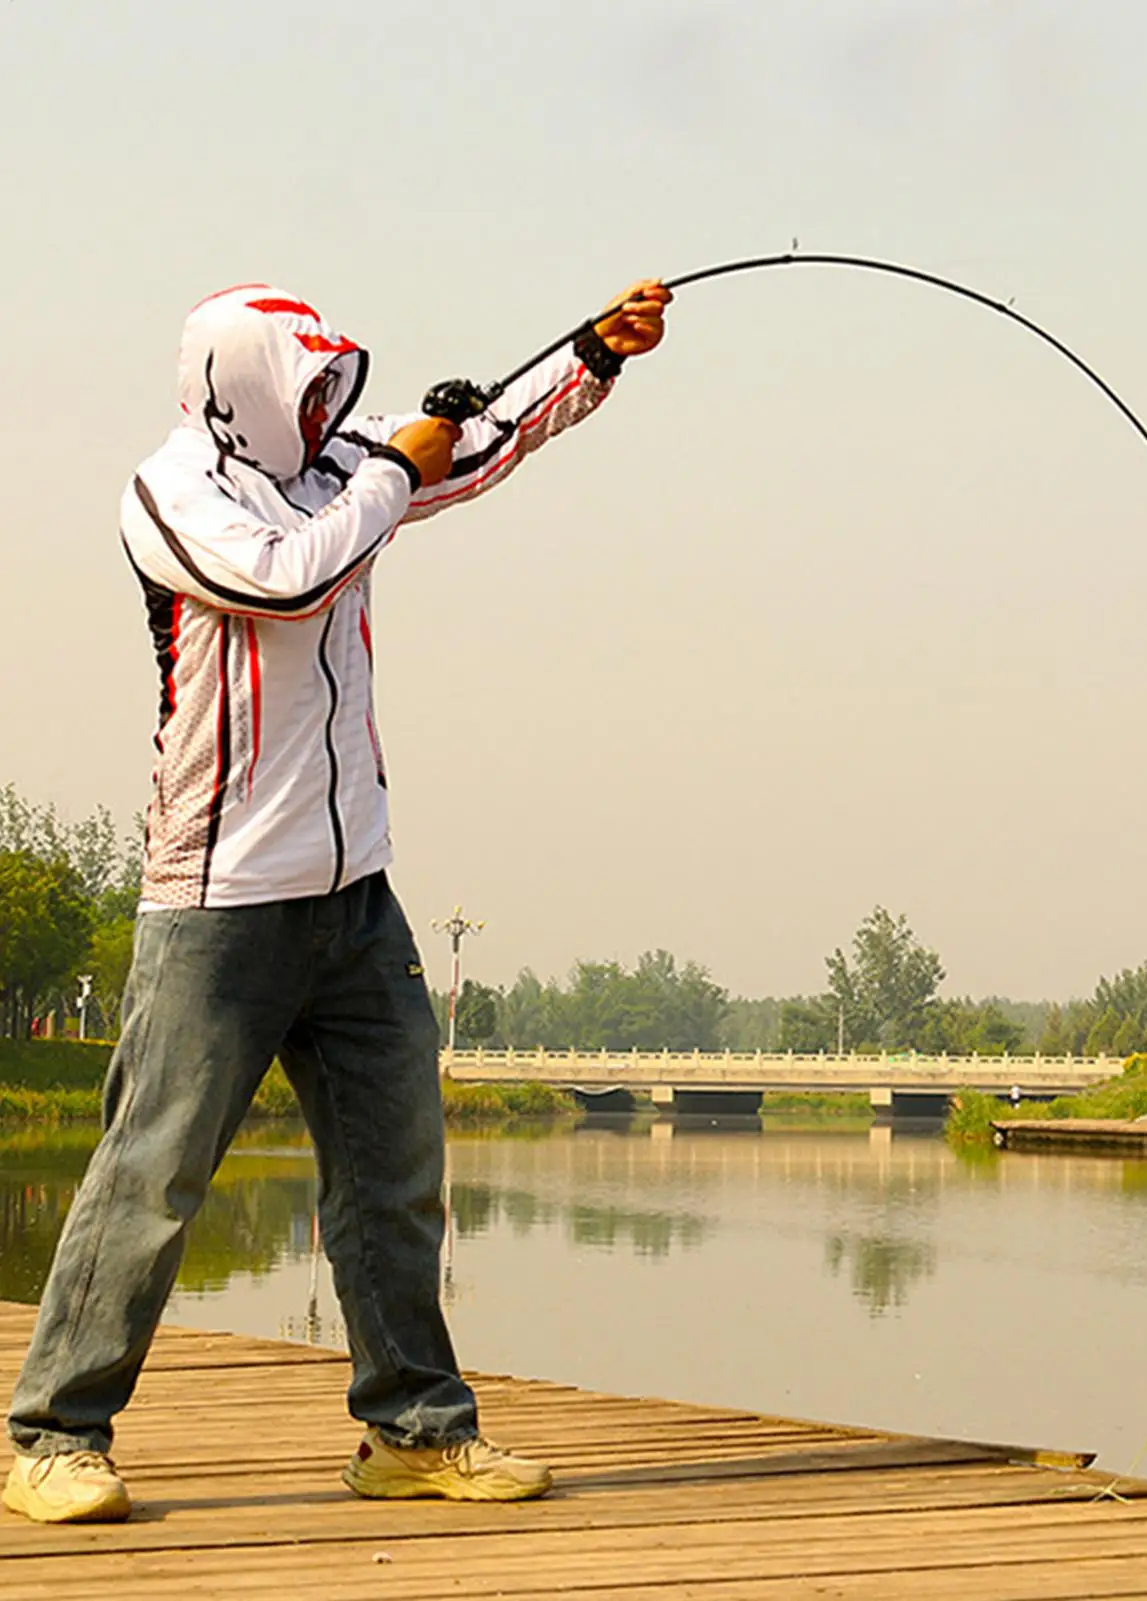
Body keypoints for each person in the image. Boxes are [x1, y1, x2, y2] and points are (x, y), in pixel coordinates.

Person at [3, 277, 671, 1524]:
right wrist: (388, 478)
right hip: (217, 898)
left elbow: (463, 449)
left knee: (393, 1169)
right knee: (151, 1172)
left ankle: (413, 1429)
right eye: (303, 386)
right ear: (237, 387)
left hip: (354, 892)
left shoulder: (336, 477)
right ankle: (53, 1433)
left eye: (332, 387)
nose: (324, 407)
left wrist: (594, 354)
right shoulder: (174, 494)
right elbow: (282, 584)